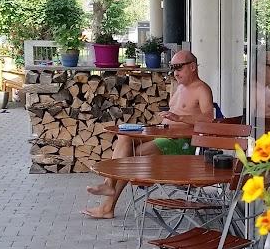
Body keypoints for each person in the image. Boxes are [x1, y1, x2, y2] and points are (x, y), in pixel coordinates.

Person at [82, 50, 214, 219]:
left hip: (182, 143)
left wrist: (179, 117)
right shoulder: (180, 88)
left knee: (129, 159)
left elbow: (209, 118)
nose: (175, 72)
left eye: (179, 67)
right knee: (125, 136)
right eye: (172, 68)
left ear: (193, 67)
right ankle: (108, 185)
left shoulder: (202, 89)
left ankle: (107, 206)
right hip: (164, 134)